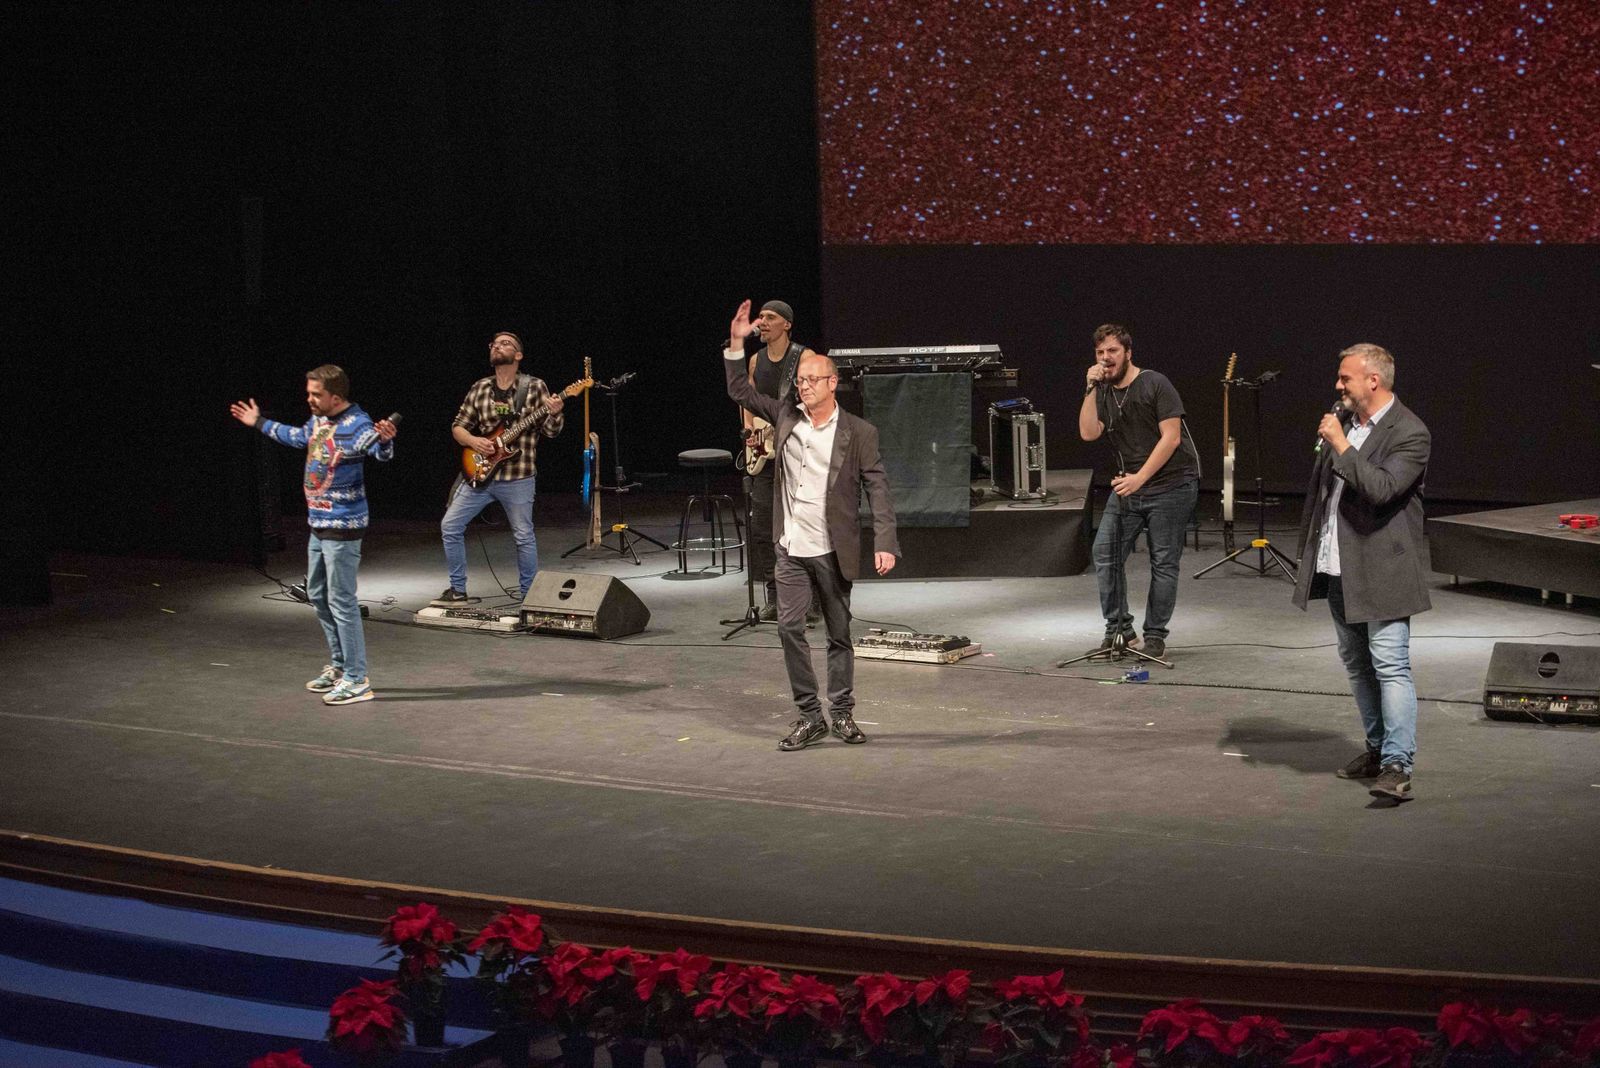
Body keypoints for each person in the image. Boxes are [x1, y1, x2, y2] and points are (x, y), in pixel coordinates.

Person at [725, 300, 900, 751]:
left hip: (832, 548)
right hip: (791, 546)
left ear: (833, 383)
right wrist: (736, 344)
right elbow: (742, 394)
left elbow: (878, 487)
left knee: (839, 635)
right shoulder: (786, 416)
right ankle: (809, 715)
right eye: (800, 381)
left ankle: (841, 713)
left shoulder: (859, 433)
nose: (804, 387)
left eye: (812, 380)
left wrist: (885, 541)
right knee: (789, 628)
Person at [1293, 343, 1431, 804]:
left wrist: (1340, 444)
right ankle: (1375, 750)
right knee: (1357, 664)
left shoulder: (1410, 432)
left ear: (1374, 380)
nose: (1338, 385)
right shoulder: (1347, 423)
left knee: (1390, 665)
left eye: (1345, 377)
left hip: (1384, 568)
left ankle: (1398, 765)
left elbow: (1382, 489)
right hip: (1340, 565)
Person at [230, 365, 397, 706]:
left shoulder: (357, 424)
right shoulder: (319, 421)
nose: (309, 399)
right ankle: (340, 666)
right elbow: (297, 437)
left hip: (344, 525)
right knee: (319, 594)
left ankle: (357, 678)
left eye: (315, 394)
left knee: (342, 601)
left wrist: (385, 440)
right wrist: (258, 422)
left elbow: (376, 451)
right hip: (318, 523)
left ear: (336, 397)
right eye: (308, 393)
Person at [1077, 323, 1201, 660]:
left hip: (1172, 483)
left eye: (1112, 352)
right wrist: (1089, 387)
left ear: (1128, 353)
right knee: (1105, 553)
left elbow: (1171, 437)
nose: (1106, 359)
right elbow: (1089, 433)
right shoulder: (1102, 390)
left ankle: (1155, 635)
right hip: (1131, 485)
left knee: (1163, 561)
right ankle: (1120, 630)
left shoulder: (1155, 383)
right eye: (1101, 353)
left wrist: (1140, 478)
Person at [439, 331, 564, 603]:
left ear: (518, 355)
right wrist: (475, 441)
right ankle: (457, 589)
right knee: (450, 525)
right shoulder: (480, 387)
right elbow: (458, 427)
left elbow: (551, 432)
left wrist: (554, 413)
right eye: (494, 344)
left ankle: (528, 594)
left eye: (505, 343)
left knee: (523, 536)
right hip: (480, 474)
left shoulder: (534, 386)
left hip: (518, 476)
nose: (498, 346)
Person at [737, 300, 812, 621]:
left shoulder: (805, 359)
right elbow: (748, 402)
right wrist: (750, 430)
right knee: (763, 528)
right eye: (761, 317)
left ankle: (811, 603)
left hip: (797, 459)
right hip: (765, 459)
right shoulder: (756, 361)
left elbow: (816, 404)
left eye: (770, 318)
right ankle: (774, 597)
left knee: (802, 530)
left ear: (787, 324)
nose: (762, 322)